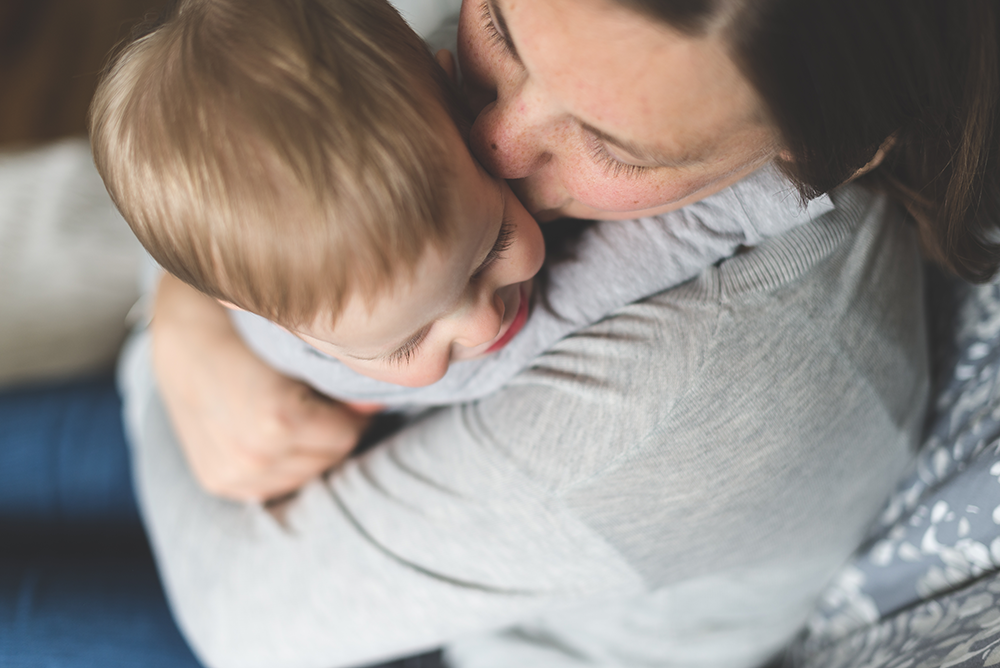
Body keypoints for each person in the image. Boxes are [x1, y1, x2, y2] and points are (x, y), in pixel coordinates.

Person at [116, 2, 999, 668]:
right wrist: (189, 304)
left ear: (834, 161)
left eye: (615, 148)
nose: (488, 149)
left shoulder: (694, 400)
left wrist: (165, 355)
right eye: (500, 29)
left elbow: (243, 623)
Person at [89, 0, 828, 418]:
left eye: (492, 243)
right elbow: (669, 241)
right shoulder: (300, 324)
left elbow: (692, 218)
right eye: (407, 343)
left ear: (447, 92)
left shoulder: (404, 121)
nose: (485, 322)